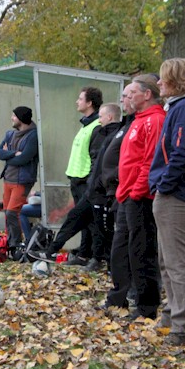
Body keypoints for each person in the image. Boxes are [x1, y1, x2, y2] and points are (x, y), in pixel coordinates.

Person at [148, 58, 185, 345]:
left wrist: (164, 184)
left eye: (163, 78)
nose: (158, 83)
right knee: (166, 260)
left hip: (176, 195)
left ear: (176, 80)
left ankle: (183, 327)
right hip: (169, 193)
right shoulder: (179, 107)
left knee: (178, 261)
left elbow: (182, 153)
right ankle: (171, 313)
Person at [27, 103, 122, 272]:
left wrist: (99, 185)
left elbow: (104, 164)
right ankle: (51, 251)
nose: (99, 120)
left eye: (102, 117)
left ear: (109, 117)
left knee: (101, 228)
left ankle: (102, 261)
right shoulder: (102, 132)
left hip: (100, 190)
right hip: (92, 188)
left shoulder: (113, 134)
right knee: (75, 218)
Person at [105, 79, 166, 321]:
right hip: (126, 195)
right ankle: (118, 297)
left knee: (142, 251)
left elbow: (150, 160)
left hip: (139, 197)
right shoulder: (138, 120)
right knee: (121, 249)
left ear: (147, 94)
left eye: (131, 93)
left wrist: (136, 191)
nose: (125, 98)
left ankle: (146, 307)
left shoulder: (155, 120)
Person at [63, 87, 104, 267]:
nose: (76, 102)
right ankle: (83, 254)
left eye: (80, 99)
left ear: (89, 103)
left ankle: (97, 257)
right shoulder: (86, 125)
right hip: (76, 179)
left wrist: (90, 182)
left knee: (93, 221)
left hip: (86, 181)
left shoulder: (96, 127)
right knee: (84, 221)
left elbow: (96, 158)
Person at [0, 106, 39, 251]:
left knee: (12, 212)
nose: (11, 118)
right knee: (8, 213)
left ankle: (16, 244)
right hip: (8, 178)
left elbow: (25, 158)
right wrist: (14, 154)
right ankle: (10, 241)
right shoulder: (10, 134)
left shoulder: (33, 135)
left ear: (21, 118)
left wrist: (9, 156)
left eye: (14, 116)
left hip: (22, 181)